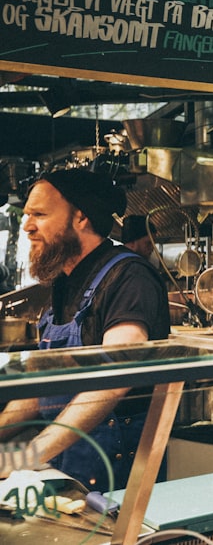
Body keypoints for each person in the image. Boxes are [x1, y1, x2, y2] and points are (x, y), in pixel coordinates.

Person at [0, 169, 170, 493]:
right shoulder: (63, 283)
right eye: (26, 215)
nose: (27, 226)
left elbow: (114, 379)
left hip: (119, 486)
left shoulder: (129, 278)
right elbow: (42, 386)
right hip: (70, 473)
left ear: (81, 217)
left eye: (39, 214)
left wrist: (29, 455)